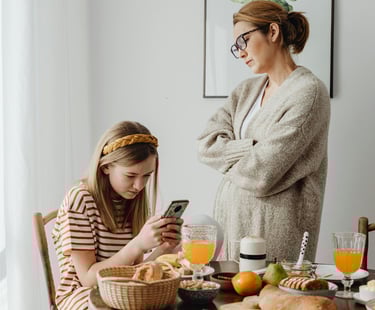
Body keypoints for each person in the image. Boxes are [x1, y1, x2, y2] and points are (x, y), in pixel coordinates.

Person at [197, 0, 330, 263]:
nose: (241, 52)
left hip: (277, 235)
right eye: (236, 47)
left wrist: (233, 152)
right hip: (233, 229)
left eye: (243, 40)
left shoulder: (309, 93)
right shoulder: (245, 91)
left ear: (272, 31)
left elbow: (261, 174)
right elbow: (205, 144)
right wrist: (251, 147)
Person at [52, 121, 183, 310]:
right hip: (82, 294)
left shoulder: (133, 201)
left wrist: (164, 248)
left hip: (122, 289)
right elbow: (88, 279)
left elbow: (134, 272)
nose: (139, 185)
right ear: (105, 167)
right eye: (130, 176)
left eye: (147, 176)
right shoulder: (80, 200)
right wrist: (138, 243)